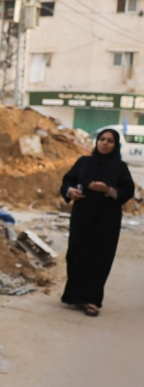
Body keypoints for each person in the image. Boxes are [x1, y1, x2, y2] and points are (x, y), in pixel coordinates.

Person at [60, 128, 135, 316]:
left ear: (115, 145)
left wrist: (107, 189)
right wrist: (71, 192)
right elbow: (67, 181)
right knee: (76, 254)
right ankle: (74, 296)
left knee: (100, 258)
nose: (105, 143)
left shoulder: (120, 167)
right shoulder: (83, 162)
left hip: (106, 221)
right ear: (97, 142)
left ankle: (92, 300)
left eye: (110, 140)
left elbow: (127, 191)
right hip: (82, 217)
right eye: (102, 139)